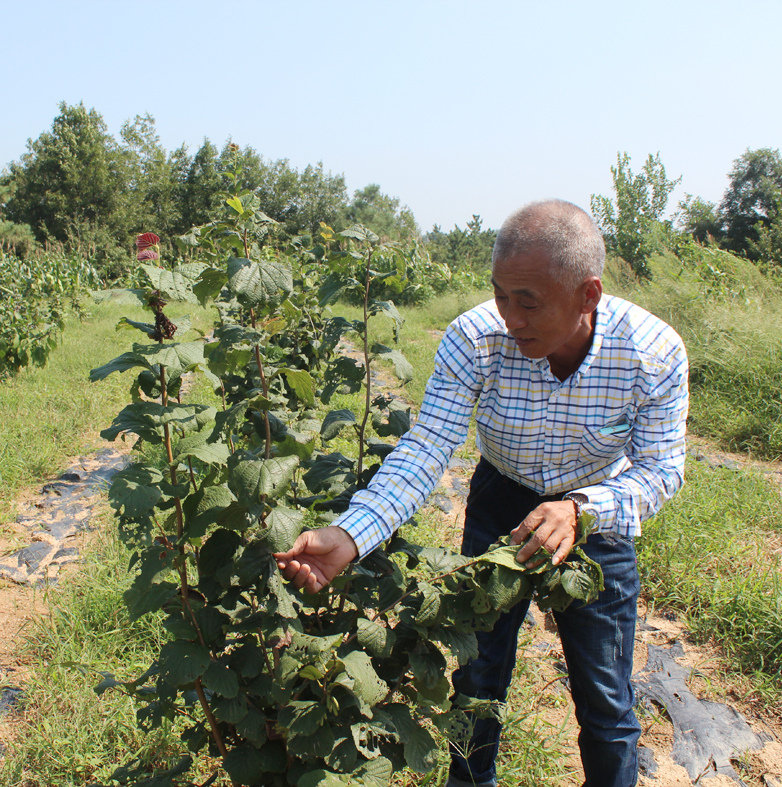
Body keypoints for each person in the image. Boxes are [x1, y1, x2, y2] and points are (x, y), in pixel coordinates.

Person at [274, 199, 689, 787]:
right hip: (502, 500)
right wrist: (350, 534)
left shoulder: (653, 353)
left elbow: (659, 469)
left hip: (597, 516)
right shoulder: (475, 338)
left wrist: (581, 509)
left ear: (588, 295)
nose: (511, 318)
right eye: (501, 294)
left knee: (606, 699)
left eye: (529, 301)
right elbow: (427, 448)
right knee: (477, 677)